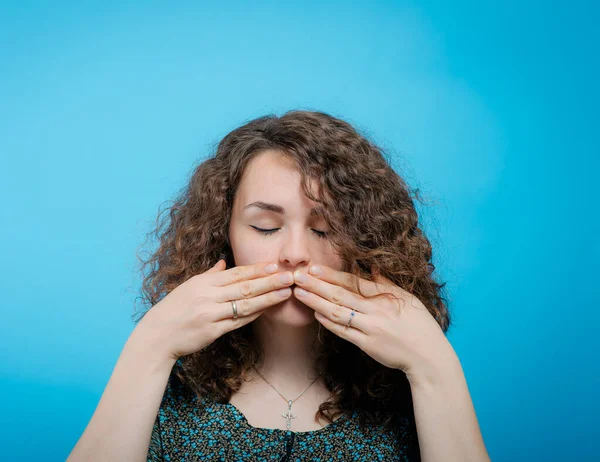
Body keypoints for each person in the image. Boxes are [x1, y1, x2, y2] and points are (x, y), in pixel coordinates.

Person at [67, 110, 490, 462]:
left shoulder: (411, 393)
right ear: (224, 235)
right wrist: (149, 345)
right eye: (265, 226)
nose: (294, 253)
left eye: (324, 229)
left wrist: (435, 365)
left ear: (365, 240)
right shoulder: (164, 395)